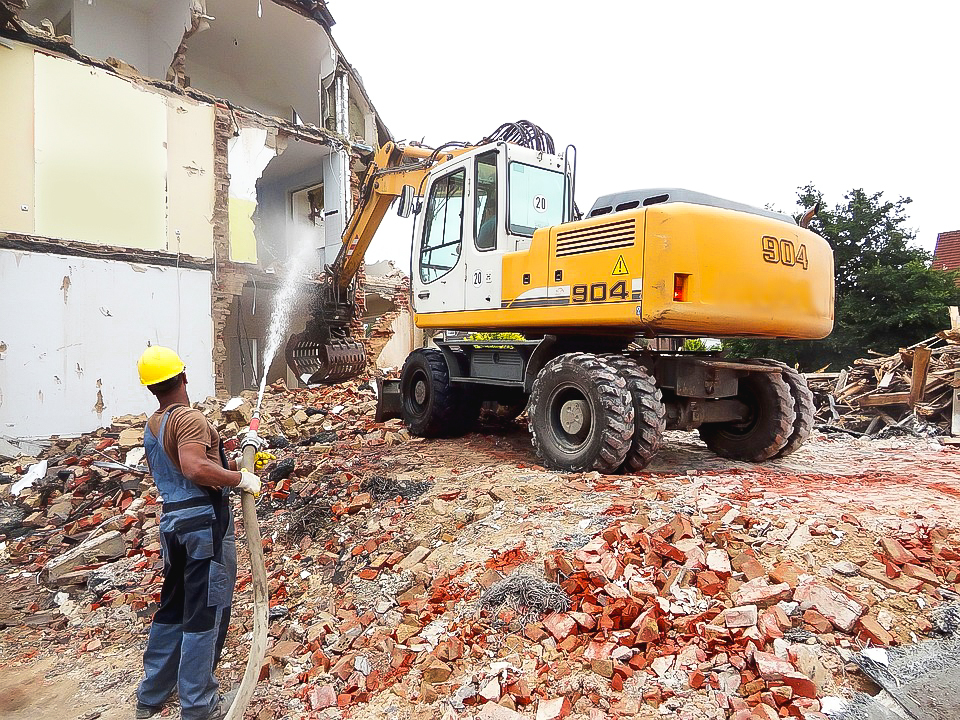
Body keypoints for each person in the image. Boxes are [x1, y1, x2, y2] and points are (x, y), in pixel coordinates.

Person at [134, 346, 266, 720]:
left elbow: (184, 468)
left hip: (174, 526)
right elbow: (194, 468)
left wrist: (234, 464)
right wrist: (240, 478)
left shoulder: (154, 425)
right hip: (202, 528)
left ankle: (152, 695)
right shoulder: (189, 419)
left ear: (152, 389)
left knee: (173, 609)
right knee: (204, 613)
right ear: (184, 377)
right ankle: (199, 705)